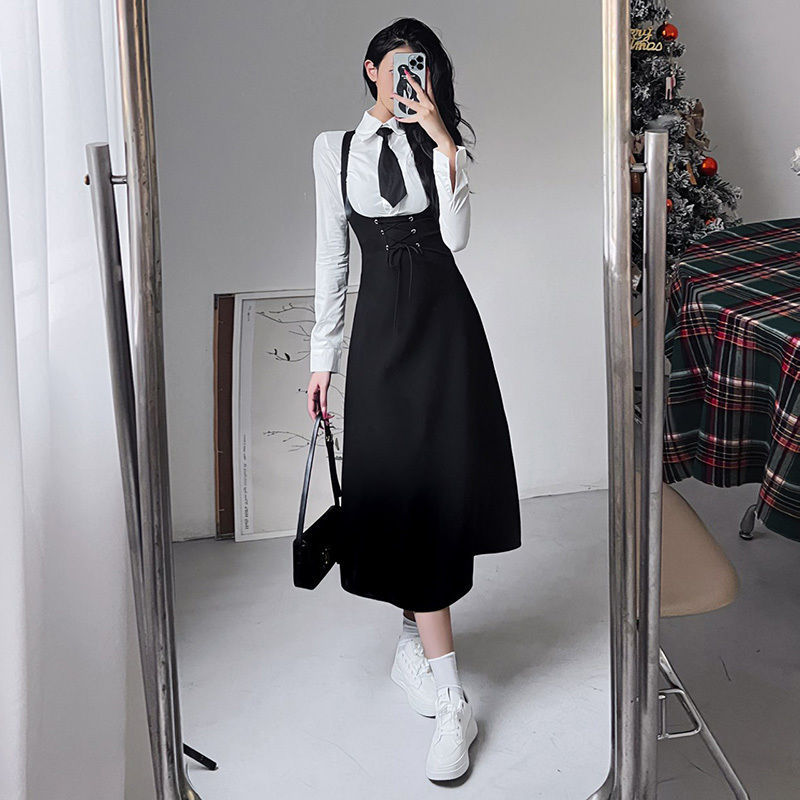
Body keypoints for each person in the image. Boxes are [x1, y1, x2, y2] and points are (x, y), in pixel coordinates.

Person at [306, 18, 521, 782]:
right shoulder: (333, 151)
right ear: (371, 69)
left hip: (445, 334)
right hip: (380, 340)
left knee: (436, 490)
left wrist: (441, 138)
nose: (409, 81)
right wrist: (321, 359)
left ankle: (450, 697)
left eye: (420, 69)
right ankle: (416, 649)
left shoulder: (439, 145)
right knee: (400, 490)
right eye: (398, 67)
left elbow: (457, 238)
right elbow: (332, 259)